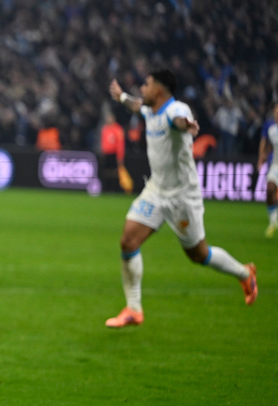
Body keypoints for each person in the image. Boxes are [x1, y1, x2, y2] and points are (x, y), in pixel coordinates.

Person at [105, 69, 257, 328]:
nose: (143, 88)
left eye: (147, 85)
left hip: (182, 198)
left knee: (199, 254)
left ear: (159, 91)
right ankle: (134, 309)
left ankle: (245, 273)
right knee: (128, 241)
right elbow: (135, 105)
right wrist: (121, 97)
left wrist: (187, 126)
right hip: (156, 191)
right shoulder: (148, 109)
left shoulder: (177, 110)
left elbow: (179, 119)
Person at [257, 102, 278, 238]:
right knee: (270, 190)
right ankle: (273, 221)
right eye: (276, 111)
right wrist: (261, 157)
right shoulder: (270, 126)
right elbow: (265, 143)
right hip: (275, 165)